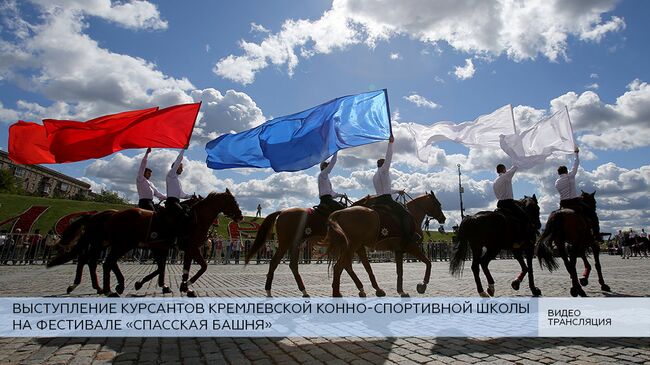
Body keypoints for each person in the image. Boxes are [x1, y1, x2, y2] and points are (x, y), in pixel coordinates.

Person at [372, 135, 415, 246]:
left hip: (378, 200)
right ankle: (408, 237)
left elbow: (386, 190)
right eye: (385, 163)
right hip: (386, 200)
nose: (388, 164)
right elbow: (389, 156)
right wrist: (390, 143)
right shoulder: (384, 170)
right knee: (405, 213)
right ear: (383, 164)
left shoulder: (375, 176)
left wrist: (397, 191)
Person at [555, 146, 600, 238]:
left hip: (562, 203)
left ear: (558, 173)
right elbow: (576, 164)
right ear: (566, 171)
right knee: (593, 214)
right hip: (573, 202)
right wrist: (576, 153)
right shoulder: (570, 176)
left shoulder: (556, 182)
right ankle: (596, 234)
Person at [493, 163, 529, 237]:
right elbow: (513, 169)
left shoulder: (495, 181)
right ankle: (522, 237)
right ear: (504, 169)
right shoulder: (505, 176)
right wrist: (517, 161)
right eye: (505, 169)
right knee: (524, 216)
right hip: (508, 203)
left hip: (499, 203)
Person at [166, 149, 192, 246]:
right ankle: (178, 237)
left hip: (177, 201)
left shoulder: (177, 180)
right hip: (171, 202)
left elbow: (182, 194)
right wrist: (183, 150)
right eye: (181, 167)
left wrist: (191, 196)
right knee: (184, 215)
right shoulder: (171, 174)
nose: (182, 169)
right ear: (175, 167)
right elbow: (178, 160)